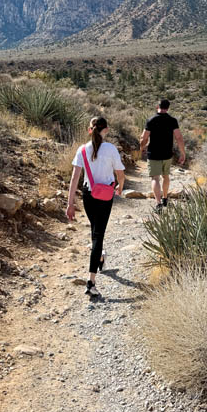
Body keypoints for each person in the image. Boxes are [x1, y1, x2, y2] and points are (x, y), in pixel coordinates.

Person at [66, 116, 125, 297]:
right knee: (98, 235)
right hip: (105, 196)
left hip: (88, 195)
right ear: (105, 129)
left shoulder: (82, 150)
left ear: (89, 129)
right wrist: (120, 187)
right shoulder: (111, 149)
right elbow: (120, 174)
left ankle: (99, 256)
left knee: (95, 233)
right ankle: (91, 282)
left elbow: (75, 178)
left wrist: (70, 203)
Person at [140, 99, 185, 212]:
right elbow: (179, 138)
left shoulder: (150, 120)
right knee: (166, 176)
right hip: (167, 154)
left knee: (155, 178)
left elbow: (144, 138)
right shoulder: (172, 121)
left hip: (154, 154)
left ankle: (158, 203)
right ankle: (165, 198)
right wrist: (182, 153)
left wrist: (142, 147)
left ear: (157, 106)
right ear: (168, 108)